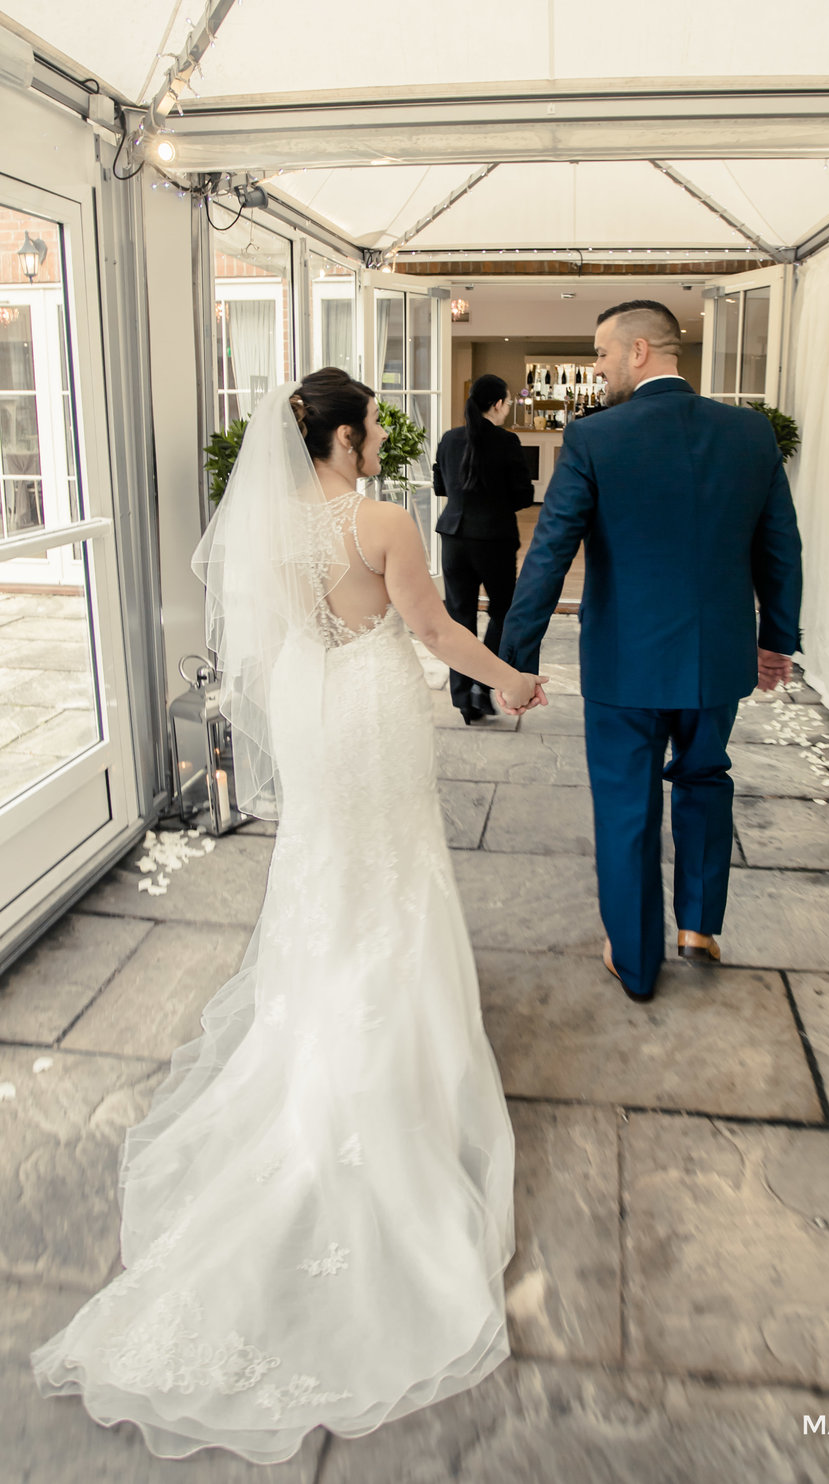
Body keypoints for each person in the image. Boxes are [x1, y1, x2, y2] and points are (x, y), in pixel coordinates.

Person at [32, 369, 547, 1463]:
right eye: (368, 430)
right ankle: (390, 1067)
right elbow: (430, 626)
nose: (373, 443)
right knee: (394, 873)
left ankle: (321, 1029)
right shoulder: (381, 520)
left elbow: (270, 644)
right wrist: (507, 678)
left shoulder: (269, 531)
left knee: (326, 870)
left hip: (316, 712)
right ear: (351, 434)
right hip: (371, 706)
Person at [500, 300, 802, 1002]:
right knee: (705, 779)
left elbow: (549, 553)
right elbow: (780, 550)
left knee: (627, 804)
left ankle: (636, 961)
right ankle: (698, 926)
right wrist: (776, 640)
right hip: (716, 658)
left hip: (625, 664)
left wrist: (517, 655)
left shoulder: (596, 438)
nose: (597, 367)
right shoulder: (750, 434)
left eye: (602, 354)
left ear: (638, 352)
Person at [434, 374, 535, 723]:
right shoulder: (507, 442)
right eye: (507, 402)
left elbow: (439, 486)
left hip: (453, 535)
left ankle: (463, 698)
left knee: (459, 618)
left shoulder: (449, 439)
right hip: (493, 539)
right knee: (503, 611)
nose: (508, 408)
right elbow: (524, 496)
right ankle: (482, 682)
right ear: (497, 404)